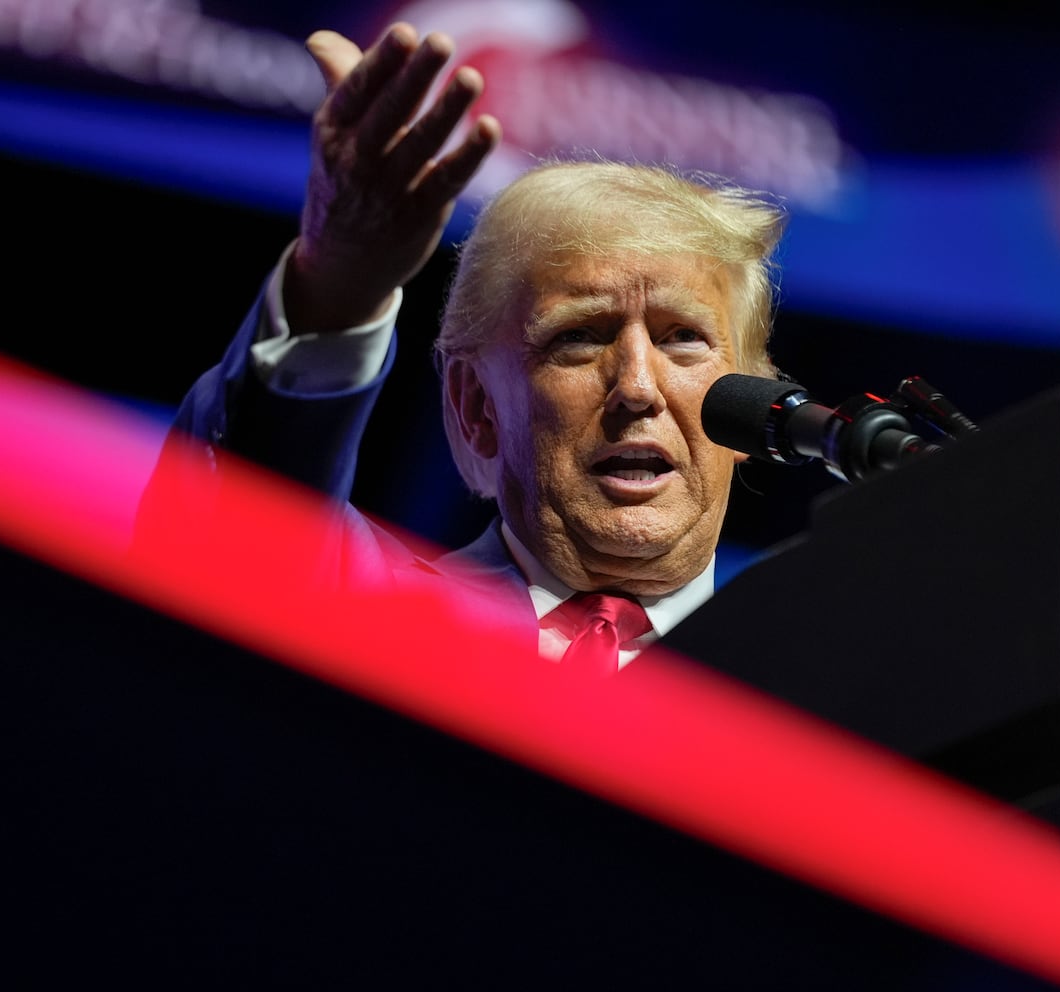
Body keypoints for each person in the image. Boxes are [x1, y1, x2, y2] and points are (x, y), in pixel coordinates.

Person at [143, 23, 785, 670]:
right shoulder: (362, 617)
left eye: (683, 339)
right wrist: (340, 285)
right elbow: (238, 531)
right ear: (477, 408)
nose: (639, 386)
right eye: (579, 338)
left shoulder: (819, 696)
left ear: (748, 413)